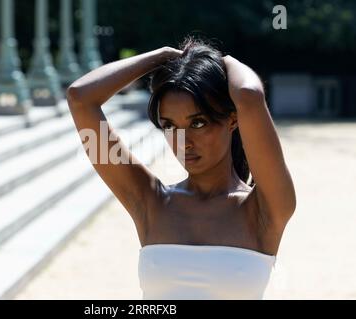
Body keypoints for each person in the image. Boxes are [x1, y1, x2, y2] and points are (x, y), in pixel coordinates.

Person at [66, 37, 296, 300]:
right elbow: (80, 98)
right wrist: (159, 56)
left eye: (197, 123)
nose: (183, 142)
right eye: (170, 126)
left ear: (232, 120)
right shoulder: (151, 201)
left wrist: (222, 59)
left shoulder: (265, 209)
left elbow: (248, 94)